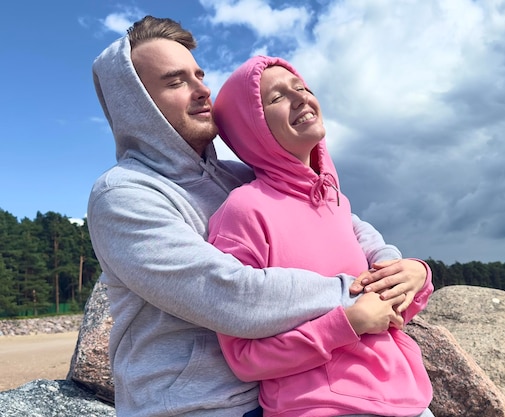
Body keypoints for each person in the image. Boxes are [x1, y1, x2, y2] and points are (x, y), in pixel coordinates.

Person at [88, 15, 428, 417]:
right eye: (176, 81)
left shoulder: (240, 178)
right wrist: (356, 292)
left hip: (275, 392)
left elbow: (338, 217)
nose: (201, 90)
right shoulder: (125, 195)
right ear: (136, 105)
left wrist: (397, 265)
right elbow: (229, 294)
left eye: (199, 76)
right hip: (190, 406)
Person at [209, 56, 434, 416]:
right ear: (250, 126)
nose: (299, 97)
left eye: (301, 87)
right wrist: (347, 324)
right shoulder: (244, 210)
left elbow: (387, 308)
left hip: (406, 397)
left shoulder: (336, 203)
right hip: (320, 407)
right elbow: (243, 357)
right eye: (276, 97)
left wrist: (417, 277)